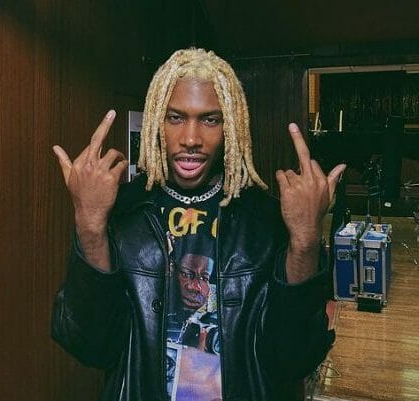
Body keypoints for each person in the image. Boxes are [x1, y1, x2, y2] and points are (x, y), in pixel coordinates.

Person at [51, 48, 346, 401]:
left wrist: (306, 238)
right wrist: (89, 224)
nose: (191, 139)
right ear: (156, 122)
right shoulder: (119, 213)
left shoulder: (267, 220)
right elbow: (90, 347)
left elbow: (292, 360)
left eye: (210, 120)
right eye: (175, 117)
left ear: (231, 126)